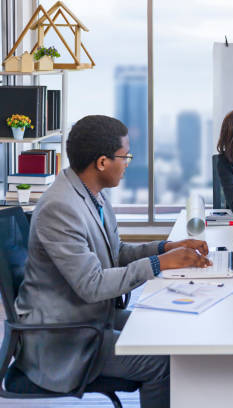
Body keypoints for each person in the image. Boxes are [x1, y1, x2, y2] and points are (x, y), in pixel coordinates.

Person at [14, 115, 213, 408]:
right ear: (102, 162)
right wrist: (160, 264)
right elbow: (92, 285)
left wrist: (167, 248)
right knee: (163, 361)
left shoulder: (94, 194)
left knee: (169, 330)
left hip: (90, 318)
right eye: (125, 156)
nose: (128, 163)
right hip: (65, 340)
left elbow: (115, 252)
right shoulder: (59, 208)